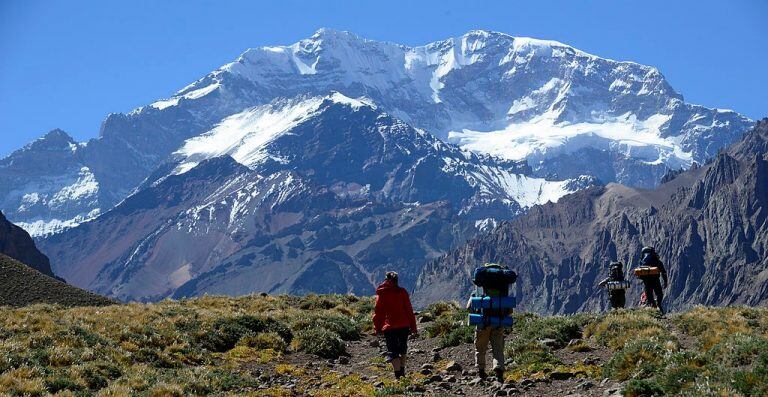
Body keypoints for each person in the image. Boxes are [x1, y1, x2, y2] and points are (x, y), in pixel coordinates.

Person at [469, 263, 517, 383]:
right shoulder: (503, 281)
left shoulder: (482, 281)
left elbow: (469, 306)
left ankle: (481, 372)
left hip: (482, 321)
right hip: (499, 320)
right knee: (498, 348)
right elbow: (509, 309)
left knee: (480, 348)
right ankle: (499, 372)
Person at [372, 271, 418, 379]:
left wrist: (377, 328)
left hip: (390, 327)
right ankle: (402, 373)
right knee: (402, 350)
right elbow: (409, 310)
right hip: (404, 325)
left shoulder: (382, 293)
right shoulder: (402, 292)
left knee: (393, 352)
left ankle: (398, 377)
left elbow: (378, 312)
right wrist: (413, 327)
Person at [637, 247, 668, 314]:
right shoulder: (657, 262)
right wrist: (665, 282)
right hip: (655, 280)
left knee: (649, 295)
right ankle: (658, 305)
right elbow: (663, 272)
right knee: (659, 294)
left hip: (646, 281)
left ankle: (653, 308)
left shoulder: (642, 262)